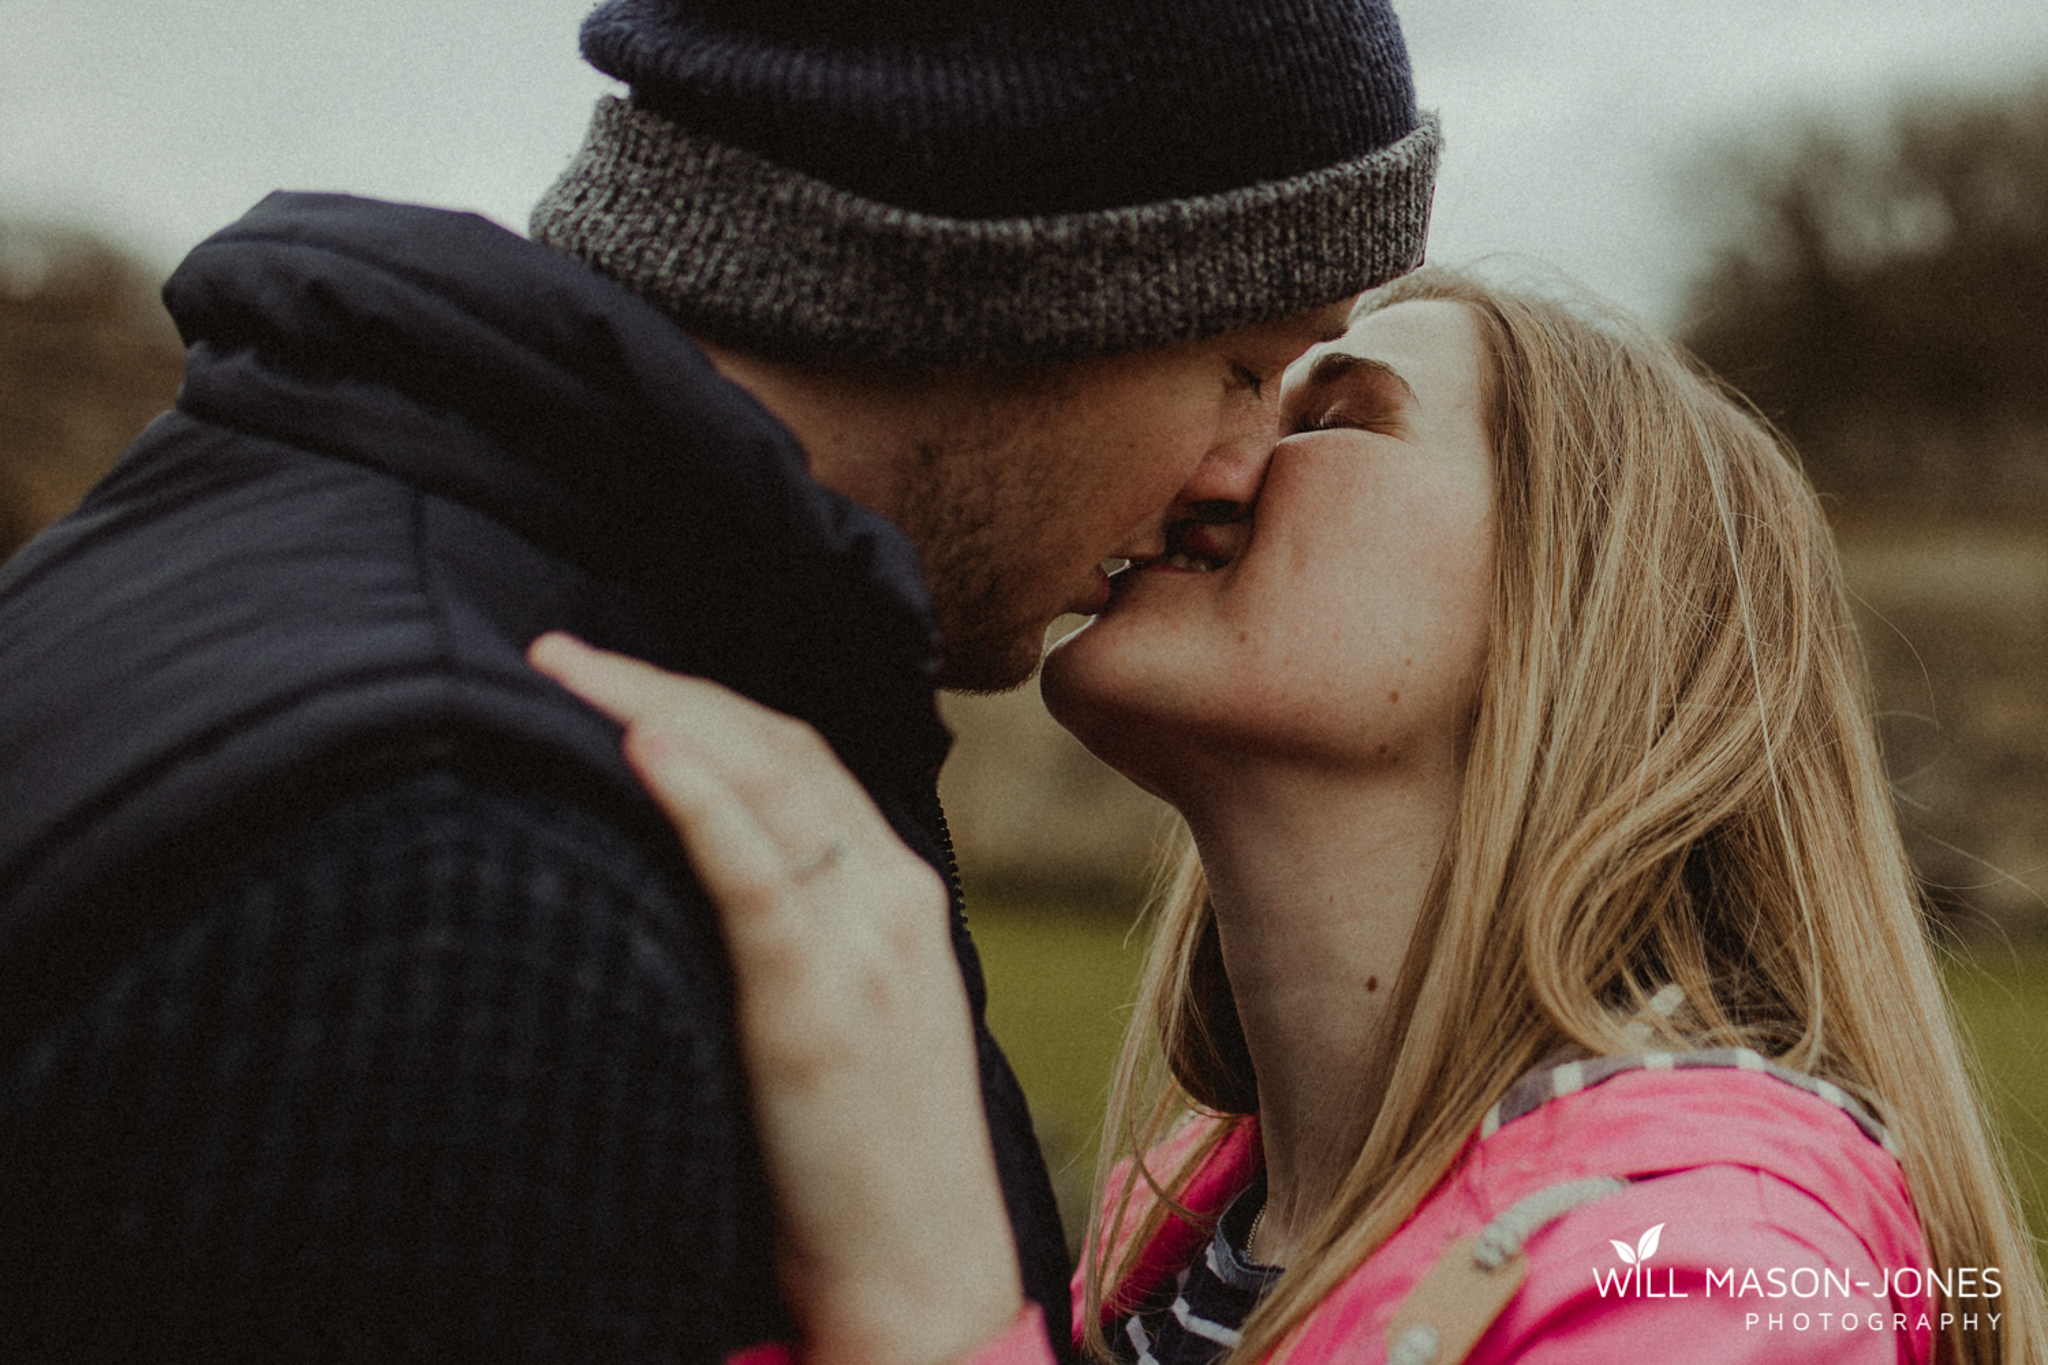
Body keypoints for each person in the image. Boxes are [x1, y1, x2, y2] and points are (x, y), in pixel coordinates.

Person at [0, 2, 1440, 1359]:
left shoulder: (296, 566)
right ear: (1023, 278)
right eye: (1246, 365)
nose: (1241, 480)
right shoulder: (472, 900)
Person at [532, 266, 2048, 1365]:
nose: (1212, 462)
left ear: (1578, 614)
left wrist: (933, 1318)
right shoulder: (1167, 1243)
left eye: (1335, 408)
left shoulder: (1703, 1278)